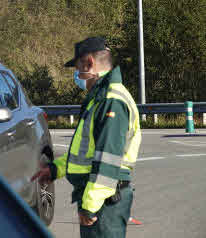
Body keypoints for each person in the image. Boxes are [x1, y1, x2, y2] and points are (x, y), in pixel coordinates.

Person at [32, 36, 141, 238]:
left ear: (89, 63)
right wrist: (55, 169)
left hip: (105, 202)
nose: (76, 74)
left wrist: (90, 206)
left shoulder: (111, 100)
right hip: (102, 198)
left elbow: (108, 158)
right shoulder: (99, 99)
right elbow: (85, 152)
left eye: (77, 67)